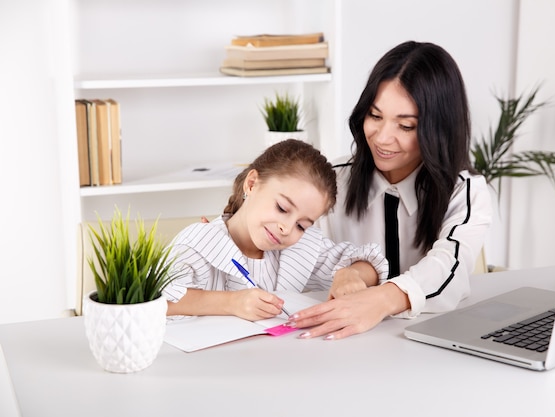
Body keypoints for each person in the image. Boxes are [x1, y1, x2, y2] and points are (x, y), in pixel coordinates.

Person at [286, 41, 493, 340]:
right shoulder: (330, 180)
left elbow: (449, 267)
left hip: (430, 350)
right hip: (338, 348)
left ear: (438, 129)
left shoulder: (464, 191)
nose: (383, 138)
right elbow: (287, 255)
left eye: (406, 126)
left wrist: (381, 300)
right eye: (375, 116)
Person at [164, 139, 388, 321]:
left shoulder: (299, 248)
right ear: (251, 184)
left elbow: (369, 262)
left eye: (302, 225)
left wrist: (350, 274)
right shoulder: (199, 242)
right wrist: (232, 302)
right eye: (282, 208)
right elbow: (158, 300)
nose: (286, 228)